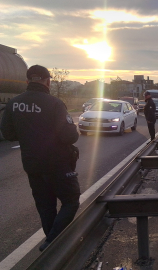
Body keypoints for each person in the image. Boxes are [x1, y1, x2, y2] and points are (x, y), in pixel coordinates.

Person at [0, 65, 81, 251]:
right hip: (58, 165)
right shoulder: (54, 103)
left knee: (46, 207)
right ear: (48, 81)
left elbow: (9, 134)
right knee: (71, 200)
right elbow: (69, 137)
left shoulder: (14, 104)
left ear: (27, 81)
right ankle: (52, 243)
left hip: (32, 165)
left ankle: (53, 245)